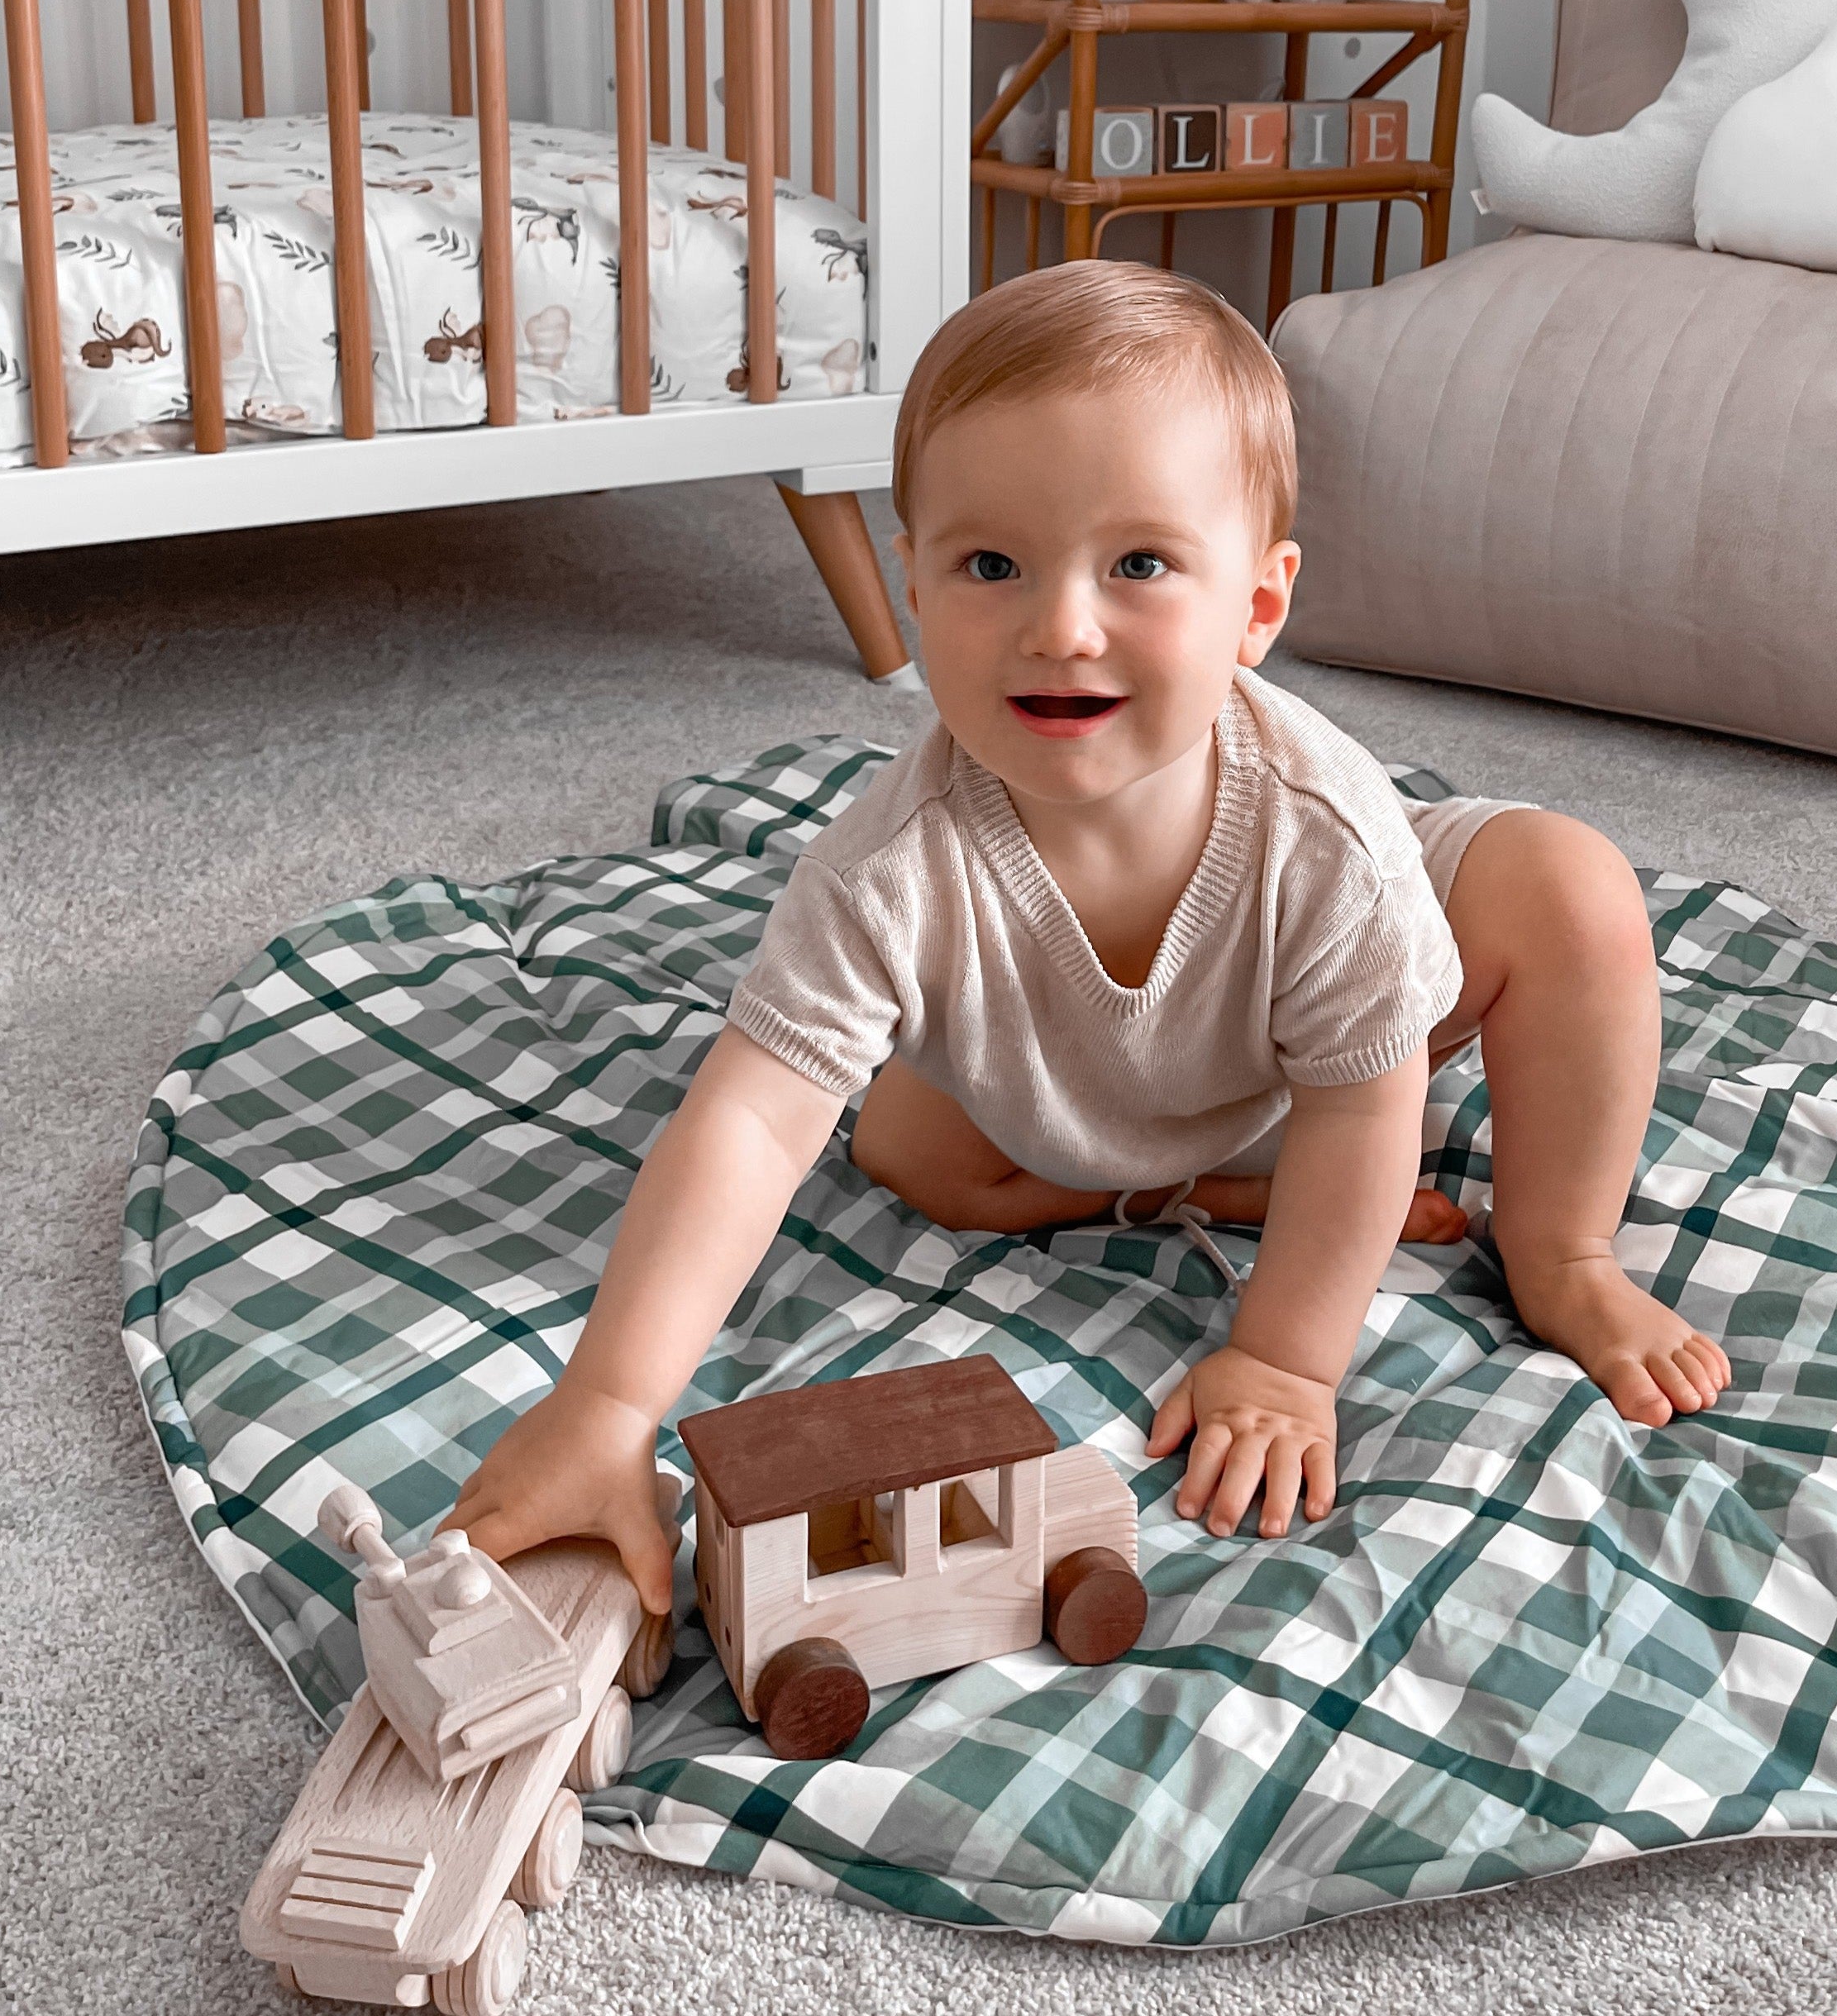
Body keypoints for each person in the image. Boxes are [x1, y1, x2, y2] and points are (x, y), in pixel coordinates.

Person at [451, 260, 1728, 1614]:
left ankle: (1564, 1252)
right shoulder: (887, 870)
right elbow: (754, 1126)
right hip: (1095, 1090)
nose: (1062, 627)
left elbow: (1369, 1110)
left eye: (1140, 564)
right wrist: (606, 1405)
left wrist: (1288, 1365)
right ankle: (1191, 1188)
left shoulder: (1327, 835)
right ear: (919, 592)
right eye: (991, 564)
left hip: (1342, 1049)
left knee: (1573, 887)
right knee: (895, 1144)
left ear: (1258, 607)